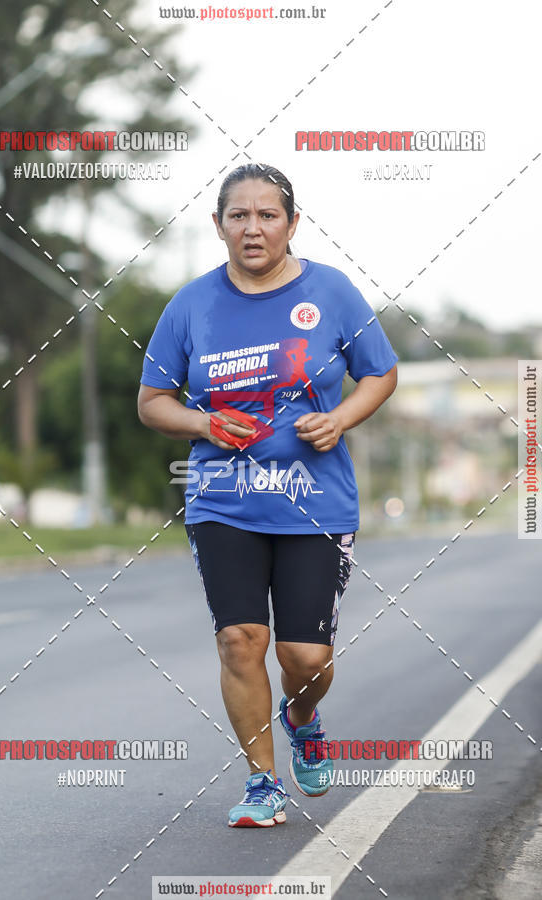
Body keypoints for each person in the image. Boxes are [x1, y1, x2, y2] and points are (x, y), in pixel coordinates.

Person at [137, 163, 398, 828]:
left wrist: (341, 418)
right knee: (240, 640)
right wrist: (201, 422)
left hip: (316, 501)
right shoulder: (190, 305)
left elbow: (381, 372)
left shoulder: (330, 292)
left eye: (267, 214)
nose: (253, 227)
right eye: (239, 215)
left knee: (304, 657)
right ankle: (262, 782)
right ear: (219, 224)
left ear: (292, 223)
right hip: (224, 499)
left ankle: (303, 718)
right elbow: (152, 402)